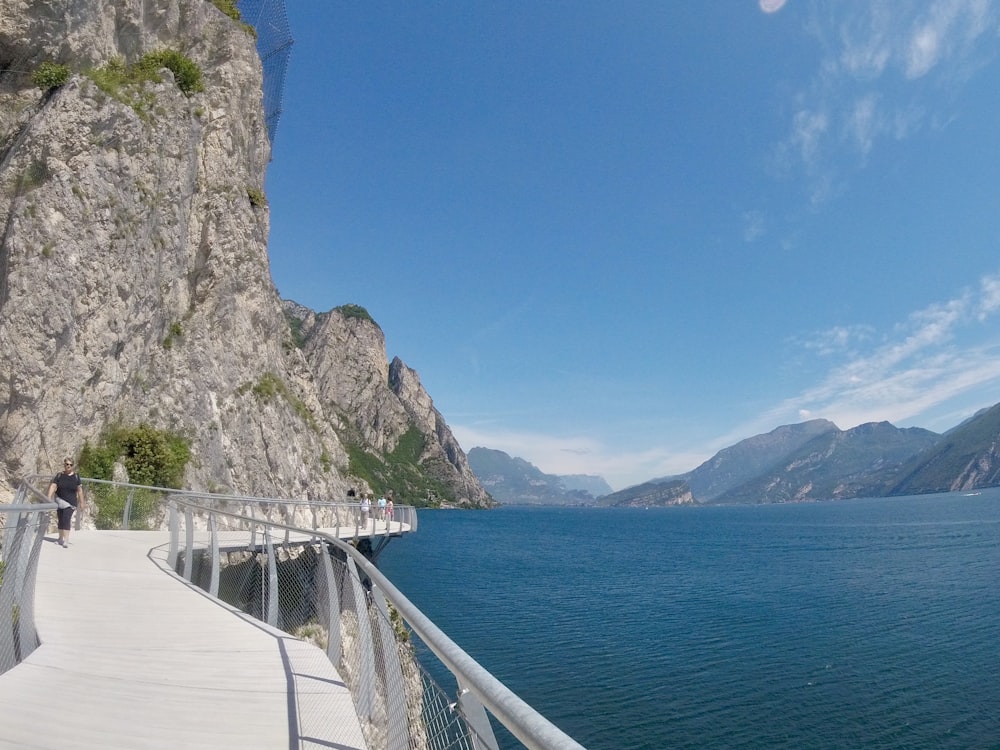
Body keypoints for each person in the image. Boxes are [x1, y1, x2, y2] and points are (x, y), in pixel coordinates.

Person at [48, 456, 85, 547]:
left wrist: (82, 502)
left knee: (66, 519)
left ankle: (66, 540)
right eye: (67, 464)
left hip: (71, 503)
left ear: (73, 466)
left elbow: (79, 490)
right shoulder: (59, 475)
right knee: (60, 519)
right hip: (59, 500)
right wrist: (48, 498)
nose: (68, 466)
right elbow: (53, 486)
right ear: (64, 464)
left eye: (70, 465)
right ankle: (60, 538)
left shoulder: (76, 477)